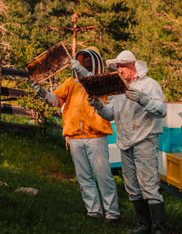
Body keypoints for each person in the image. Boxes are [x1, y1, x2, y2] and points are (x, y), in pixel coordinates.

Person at [31, 47, 120, 222]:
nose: (84, 62)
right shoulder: (71, 83)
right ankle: (93, 211)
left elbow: (95, 87)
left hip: (96, 136)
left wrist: (82, 72)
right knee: (83, 176)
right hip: (74, 136)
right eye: (82, 59)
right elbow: (56, 100)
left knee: (103, 175)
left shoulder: (101, 82)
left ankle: (112, 214)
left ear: (95, 62)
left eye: (88, 60)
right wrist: (43, 94)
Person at [87, 50, 167, 234]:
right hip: (125, 141)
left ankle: (160, 229)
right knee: (132, 187)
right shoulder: (119, 89)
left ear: (133, 65)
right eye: (117, 66)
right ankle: (145, 226)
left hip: (145, 140)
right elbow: (110, 114)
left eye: (122, 66)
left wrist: (143, 100)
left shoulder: (149, 85)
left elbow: (161, 110)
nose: (119, 70)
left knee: (148, 185)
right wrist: (98, 104)